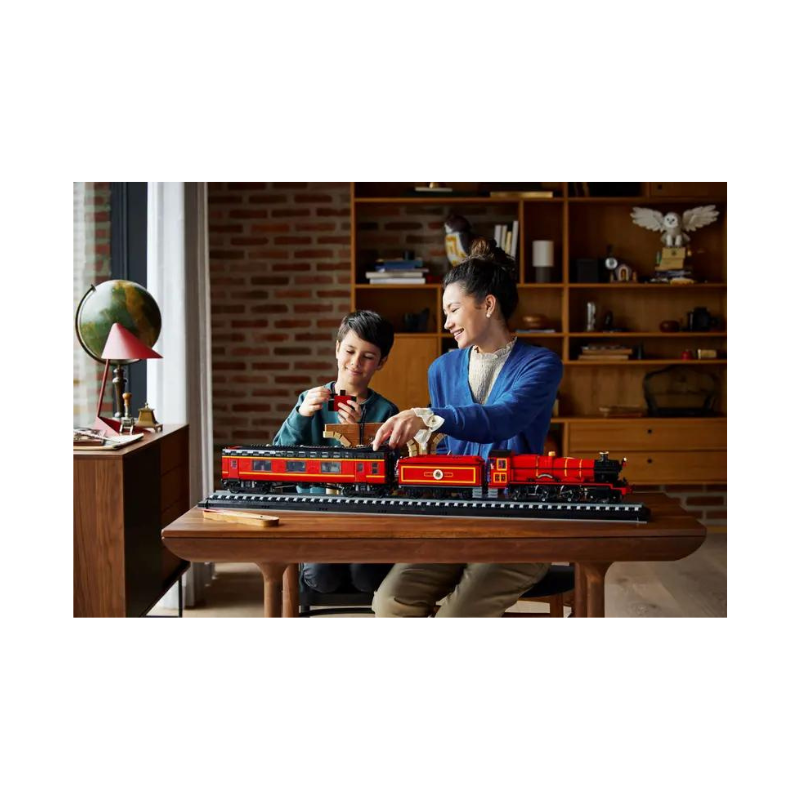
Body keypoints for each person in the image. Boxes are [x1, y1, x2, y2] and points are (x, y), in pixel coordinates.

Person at [371, 238, 563, 617]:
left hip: (520, 527)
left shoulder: (541, 365)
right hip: (456, 523)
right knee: (390, 602)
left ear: (488, 305)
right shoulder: (441, 369)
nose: (447, 323)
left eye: (453, 309)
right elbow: (446, 450)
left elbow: (504, 418)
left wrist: (428, 415)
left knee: (455, 618)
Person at [273, 310, 398, 595]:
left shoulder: (386, 411)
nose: (356, 362)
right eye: (350, 351)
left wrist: (356, 439)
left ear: (381, 362)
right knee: (323, 576)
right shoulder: (309, 400)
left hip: (366, 521)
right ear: (337, 349)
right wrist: (300, 416)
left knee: (366, 577)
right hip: (315, 518)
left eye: (368, 356)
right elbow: (277, 455)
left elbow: (389, 477)